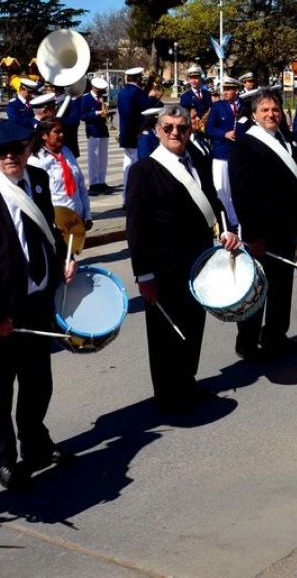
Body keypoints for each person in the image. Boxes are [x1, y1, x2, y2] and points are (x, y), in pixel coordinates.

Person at [0, 119, 76, 490]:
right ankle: (2, 457)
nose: (11, 157)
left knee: (39, 383)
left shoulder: (36, 179)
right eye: (3, 152)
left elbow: (45, 232)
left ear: (27, 148)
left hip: (36, 303)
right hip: (0, 313)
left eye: (18, 150)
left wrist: (59, 267)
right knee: (0, 390)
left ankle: (36, 444)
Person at [127, 104, 240, 412]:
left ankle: (187, 381)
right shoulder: (143, 171)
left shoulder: (198, 159)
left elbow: (213, 201)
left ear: (191, 129)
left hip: (200, 260)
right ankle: (166, 394)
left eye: (182, 128)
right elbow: (136, 227)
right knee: (165, 333)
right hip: (164, 267)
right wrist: (144, 275)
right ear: (157, 130)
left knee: (193, 325)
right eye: (169, 128)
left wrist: (226, 231)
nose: (176, 133)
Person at [230, 89, 297, 361]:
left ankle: (276, 336)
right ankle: (248, 343)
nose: (270, 114)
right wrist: (253, 235)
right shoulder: (246, 145)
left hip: (287, 228)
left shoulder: (285, 139)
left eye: (275, 109)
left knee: (282, 285)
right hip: (261, 233)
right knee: (257, 289)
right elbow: (242, 194)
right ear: (254, 115)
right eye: (264, 110)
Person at [30, 117, 92, 257]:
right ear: (44, 135)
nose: (62, 135)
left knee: (71, 260)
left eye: (62, 131)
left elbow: (80, 185)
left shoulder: (67, 153)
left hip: (75, 218)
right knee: (61, 262)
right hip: (56, 223)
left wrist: (87, 214)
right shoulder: (36, 161)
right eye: (56, 132)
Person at [206, 78, 242, 227]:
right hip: (221, 154)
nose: (225, 92)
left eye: (228, 89)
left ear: (237, 91)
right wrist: (224, 134)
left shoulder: (243, 107)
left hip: (237, 154)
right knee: (221, 190)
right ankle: (224, 222)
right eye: (224, 89)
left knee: (237, 188)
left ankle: (235, 220)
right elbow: (208, 129)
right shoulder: (217, 107)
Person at [117, 67, 152, 204]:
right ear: (137, 78)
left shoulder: (123, 91)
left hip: (128, 135)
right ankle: (134, 198)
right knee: (136, 168)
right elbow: (143, 113)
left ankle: (127, 197)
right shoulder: (137, 93)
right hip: (137, 135)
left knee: (128, 167)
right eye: (141, 77)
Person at [79, 77, 113, 194]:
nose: (102, 91)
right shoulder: (86, 98)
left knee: (103, 158)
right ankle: (94, 183)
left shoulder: (101, 98)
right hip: (93, 131)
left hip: (103, 130)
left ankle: (102, 181)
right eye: (100, 89)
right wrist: (97, 113)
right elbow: (83, 115)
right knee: (94, 158)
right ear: (93, 88)